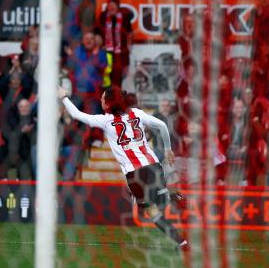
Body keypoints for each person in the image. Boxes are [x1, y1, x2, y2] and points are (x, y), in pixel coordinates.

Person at [58, 85, 189, 251]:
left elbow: (77, 114)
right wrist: (167, 149)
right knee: (161, 200)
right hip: (153, 165)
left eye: (103, 98)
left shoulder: (106, 121)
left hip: (135, 173)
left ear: (109, 104)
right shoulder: (137, 113)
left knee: (153, 212)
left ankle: (182, 243)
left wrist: (63, 97)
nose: (100, 99)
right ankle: (173, 197)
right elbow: (162, 125)